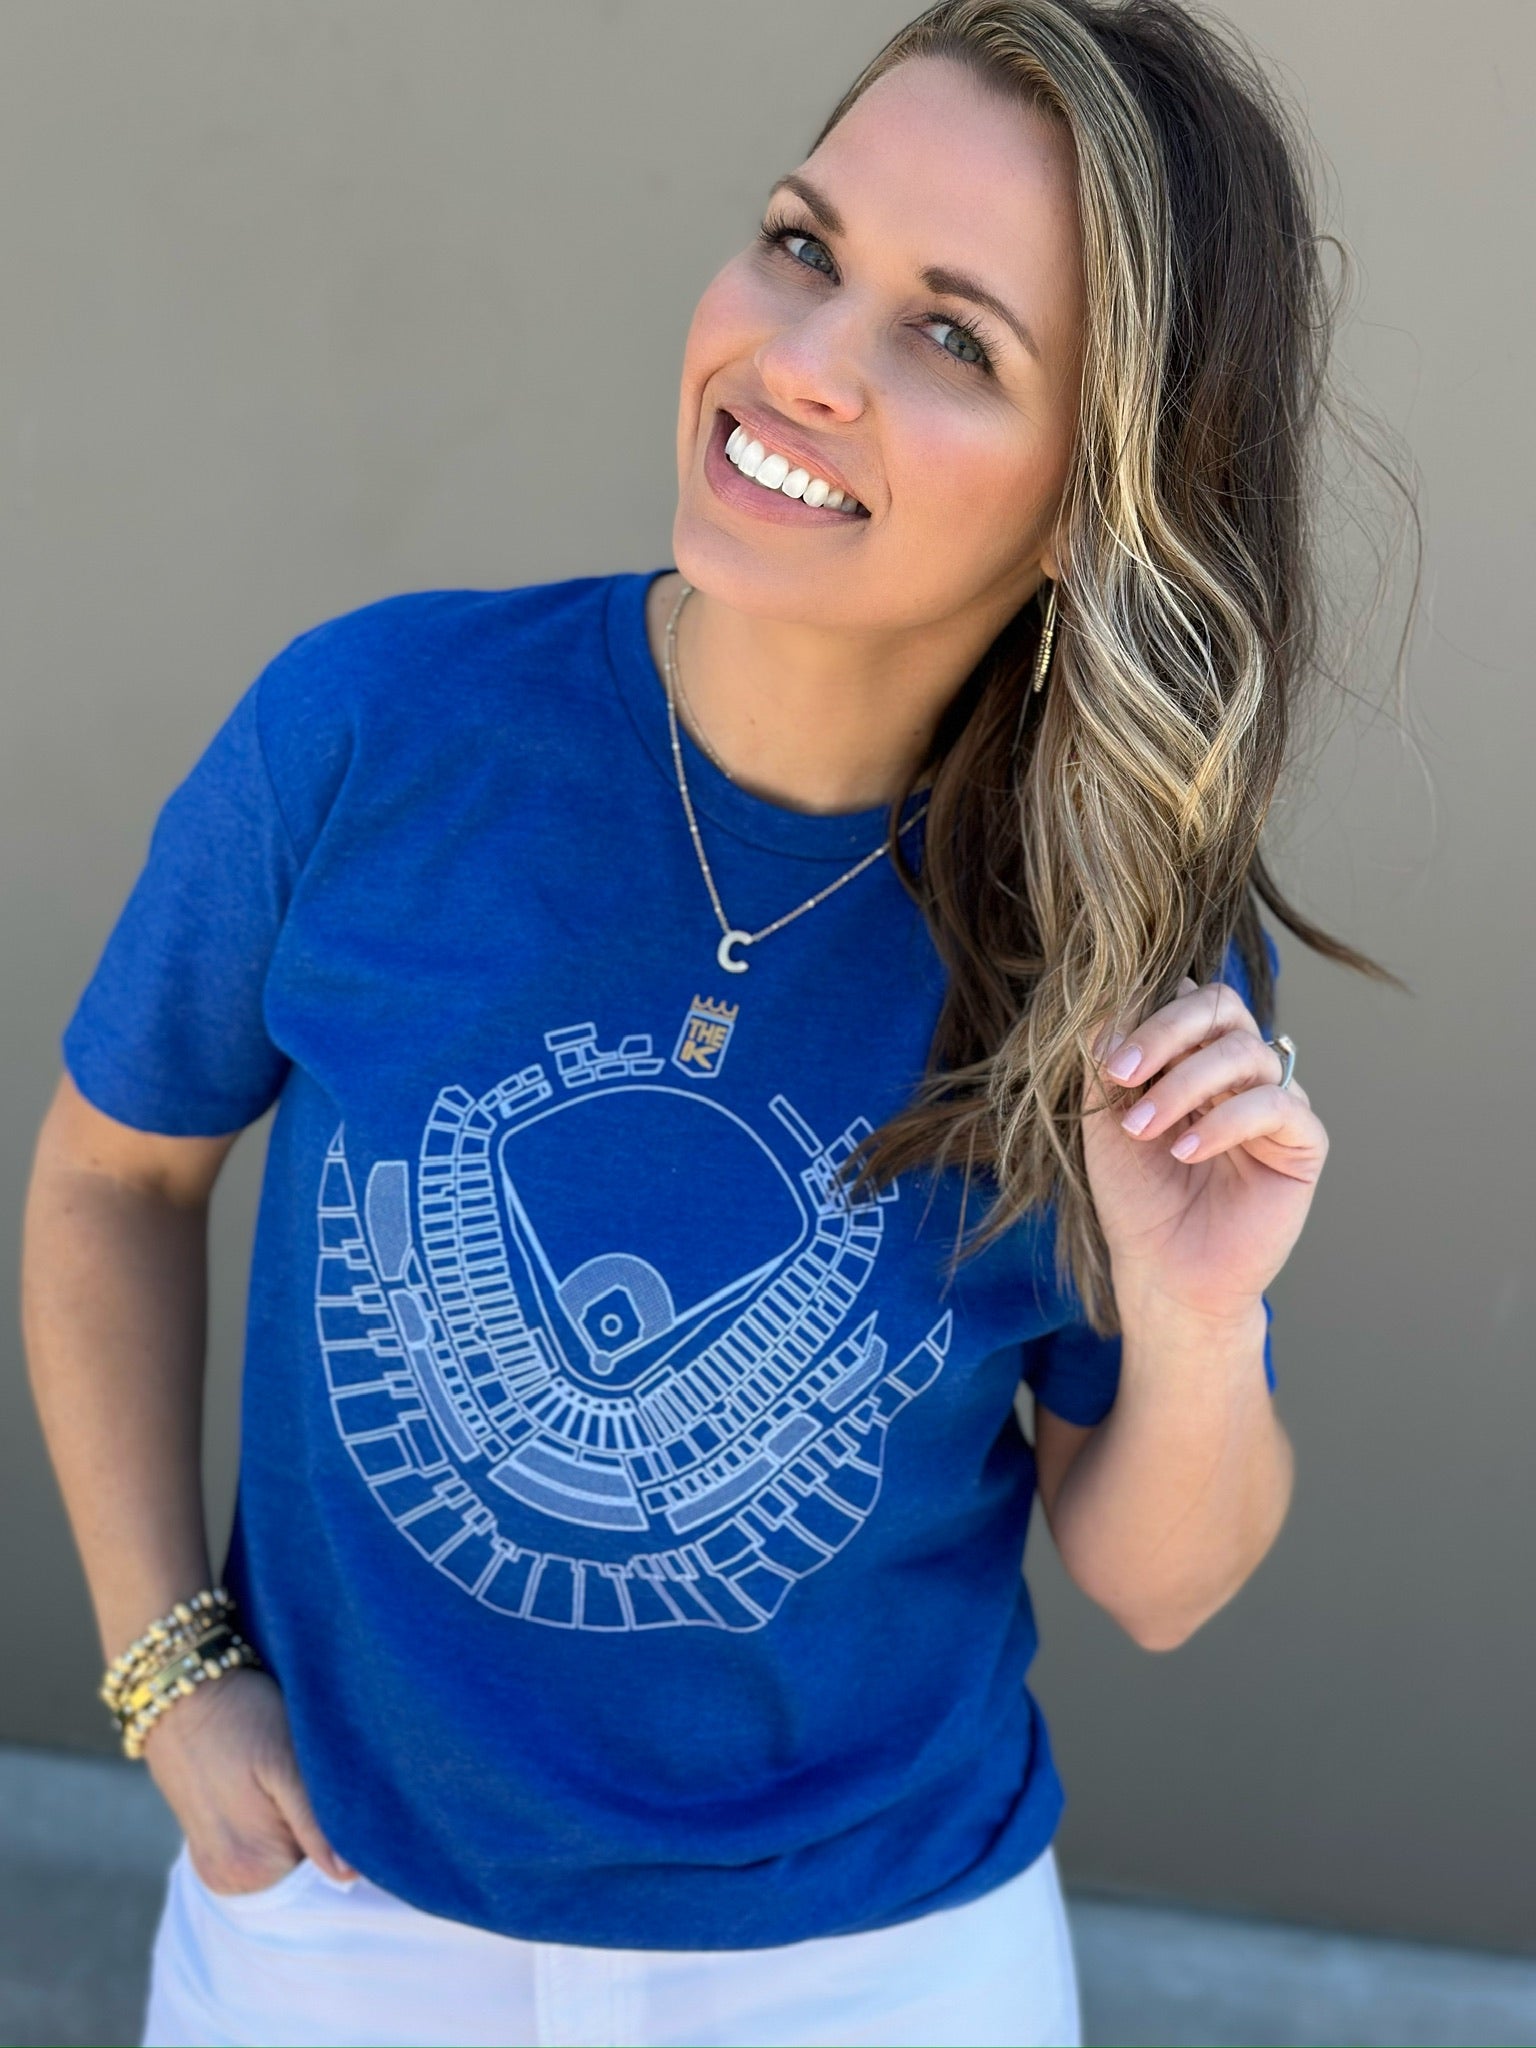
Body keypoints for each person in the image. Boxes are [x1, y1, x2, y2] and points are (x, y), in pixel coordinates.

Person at [21, 1, 1409, 2043]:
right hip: (328, 1917)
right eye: (801, 243)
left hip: (873, 1968)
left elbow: (1162, 1577)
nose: (804, 359)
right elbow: (111, 1180)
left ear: (1094, 492)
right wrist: (169, 1675)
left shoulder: (1119, 947)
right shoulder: (374, 732)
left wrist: (1198, 1326)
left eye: (954, 340)